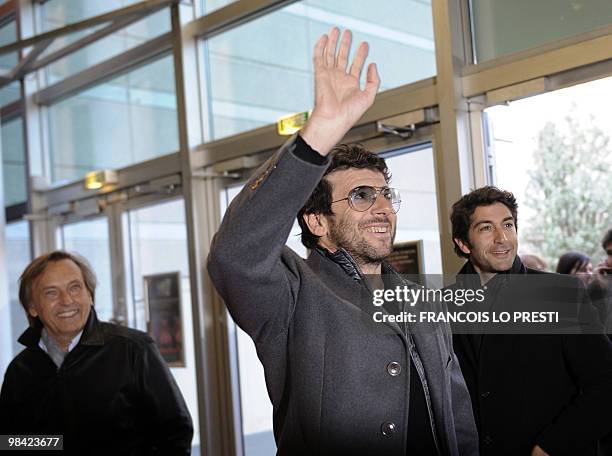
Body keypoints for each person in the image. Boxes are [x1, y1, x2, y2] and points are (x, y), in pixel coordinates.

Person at [208, 27, 478, 455]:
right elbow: (234, 255)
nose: (382, 208)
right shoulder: (292, 295)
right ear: (317, 220)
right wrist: (318, 135)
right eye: (361, 196)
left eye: (385, 194)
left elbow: (457, 414)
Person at [449, 186, 612, 456]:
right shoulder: (442, 304)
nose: (502, 238)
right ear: (464, 243)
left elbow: (606, 383)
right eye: (486, 228)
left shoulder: (561, 294)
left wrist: (549, 446)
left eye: (508, 225)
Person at [0, 250, 193, 454]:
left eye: (75, 288)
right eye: (51, 293)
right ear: (32, 307)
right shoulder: (20, 370)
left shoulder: (133, 349)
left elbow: (176, 431)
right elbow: (10, 441)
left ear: (90, 296)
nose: (66, 300)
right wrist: (56, 443)